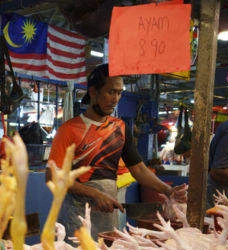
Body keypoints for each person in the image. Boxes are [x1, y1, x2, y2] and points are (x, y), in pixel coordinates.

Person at [47, 64, 186, 240]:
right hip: (76, 217)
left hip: (107, 214)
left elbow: (139, 170)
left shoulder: (120, 128)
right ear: (93, 92)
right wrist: (95, 194)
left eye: (119, 93)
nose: (116, 99)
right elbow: (52, 177)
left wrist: (168, 191)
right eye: (111, 92)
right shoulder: (69, 130)